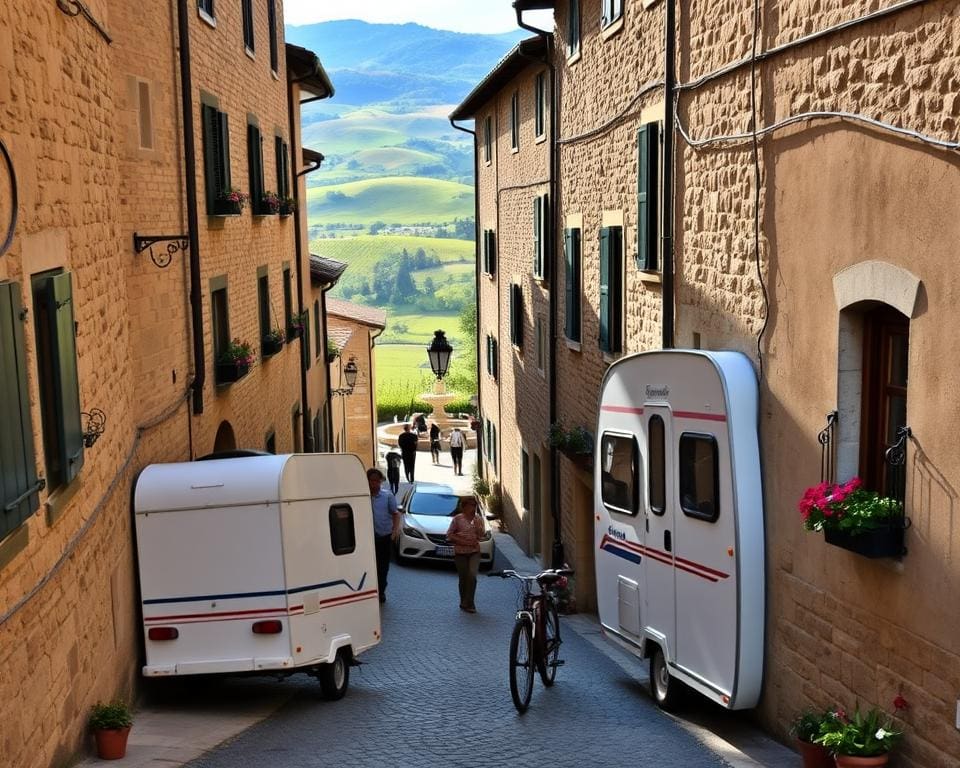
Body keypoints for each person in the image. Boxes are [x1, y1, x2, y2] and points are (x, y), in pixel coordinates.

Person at [446, 495, 485, 613]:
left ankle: (470, 603)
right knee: (463, 577)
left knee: (472, 576)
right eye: (470, 506)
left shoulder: (478, 519)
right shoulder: (458, 519)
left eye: (474, 506)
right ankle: (463, 601)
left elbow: (481, 535)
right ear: (464, 507)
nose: (473, 508)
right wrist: (462, 541)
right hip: (460, 552)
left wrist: (479, 528)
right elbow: (449, 534)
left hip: (474, 552)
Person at [367, 467, 400, 604]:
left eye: (377, 481)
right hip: (367, 539)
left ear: (380, 482)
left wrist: (394, 532)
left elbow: (396, 514)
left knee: (382, 567)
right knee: (368, 567)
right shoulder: (362, 496)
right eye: (371, 480)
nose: (374, 483)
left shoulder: (387, 496)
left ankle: (381, 592)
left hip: (384, 537)